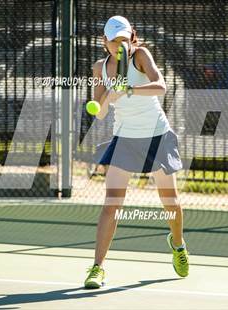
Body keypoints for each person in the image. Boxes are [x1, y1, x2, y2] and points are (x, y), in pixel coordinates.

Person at [84, 16, 189, 289]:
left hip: (156, 136)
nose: (120, 45)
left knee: (171, 203)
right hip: (125, 139)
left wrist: (128, 88)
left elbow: (160, 85)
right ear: (104, 42)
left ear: (133, 39)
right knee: (112, 204)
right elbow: (100, 111)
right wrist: (110, 94)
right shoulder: (100, 68)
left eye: (124, 39)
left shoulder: (141, 55)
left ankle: (177, 244)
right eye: (114, 40)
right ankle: (97, 267)